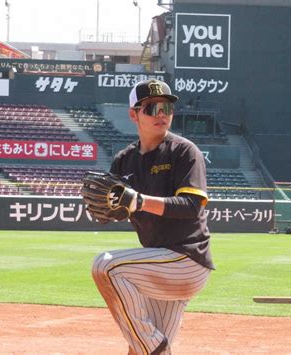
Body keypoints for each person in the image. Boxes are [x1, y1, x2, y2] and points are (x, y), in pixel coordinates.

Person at [91, 79, 214, 355]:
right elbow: (110, 206)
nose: (161, 114)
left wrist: (140, 201)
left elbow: (192, 205)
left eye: (167, 107)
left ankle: (156, 348)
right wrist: (105, 207)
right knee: (138, 350)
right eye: (152, 108)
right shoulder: (124, 161)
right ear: (133, 114)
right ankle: (154, 349)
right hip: (158, 266)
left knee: (105, 266)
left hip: (186, 260)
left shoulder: (184, 151)